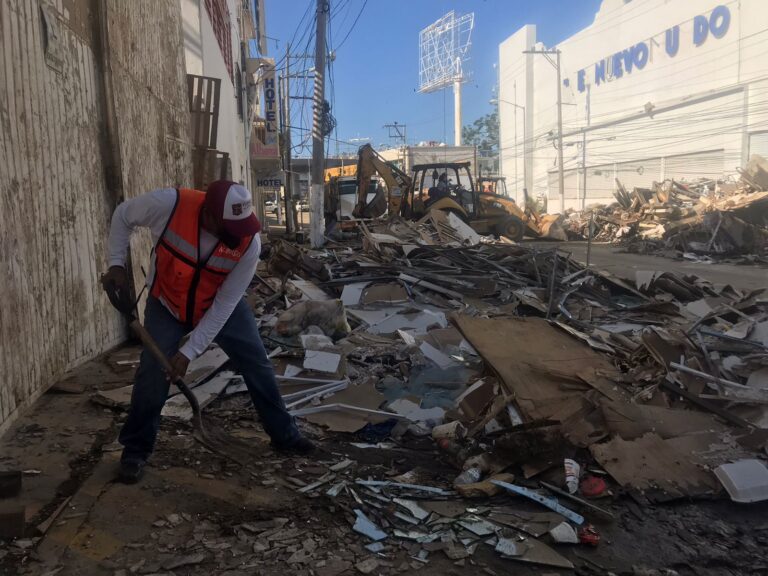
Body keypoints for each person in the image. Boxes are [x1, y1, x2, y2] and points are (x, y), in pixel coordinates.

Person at [101, 181, 314, 484]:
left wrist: (189, 352)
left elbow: (226, 303)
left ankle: (285, 435)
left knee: (257, 363)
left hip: (216, 304)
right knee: (152, 374)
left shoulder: (248, 243)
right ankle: (135, 450)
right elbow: (123, 215)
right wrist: (116, 265)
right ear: (210, 216)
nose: (237, 236)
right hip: (167, 304)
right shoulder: (170, 205)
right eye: (230, 227)